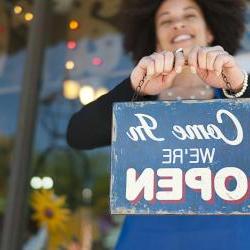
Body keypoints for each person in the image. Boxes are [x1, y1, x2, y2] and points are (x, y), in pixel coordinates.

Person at [67, 0, 250, 249]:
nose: (178, 24)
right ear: (155, 41)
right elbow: (78, 134)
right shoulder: (140, 99)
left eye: (190, 15)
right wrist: (135, 89)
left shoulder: (235, 89)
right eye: (166, 20)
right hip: (147, 240)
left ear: (209, 32)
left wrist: (239, 88)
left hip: (229, 239)